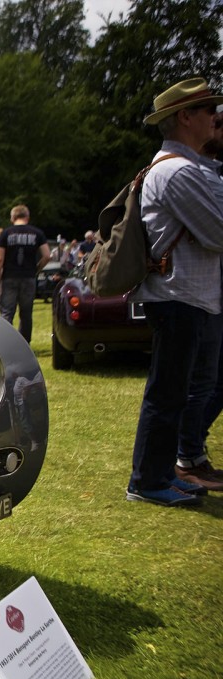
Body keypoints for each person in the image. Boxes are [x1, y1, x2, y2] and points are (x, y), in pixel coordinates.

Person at [125, 77, 223, 507]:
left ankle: (162, 474)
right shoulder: (177, 171)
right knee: (167, 394)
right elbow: (219, 231)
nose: (215, 118)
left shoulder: (183, 168)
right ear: (185, 117)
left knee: (175, 392)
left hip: (186, 296)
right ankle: (146, 481)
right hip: (178, 296)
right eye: (207, 111)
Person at [174, 107, 223, 493]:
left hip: (205, 293)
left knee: (206, 380)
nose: (213, 123)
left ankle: (190, 452)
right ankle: (186, 454)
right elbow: (216, 233)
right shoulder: (190, 173)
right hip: (193, 293)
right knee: (198, 381)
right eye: (212, 117)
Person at [0, 205, 49, 342]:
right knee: (26, 314)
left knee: (7, 313)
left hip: (9, 277)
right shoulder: (37, 233)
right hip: (28, 277)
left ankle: (5, 344)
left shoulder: (6, 233)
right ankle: (24, 345)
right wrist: (36, 269)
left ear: (12, 218)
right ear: (27, 217)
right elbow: (46, 256)